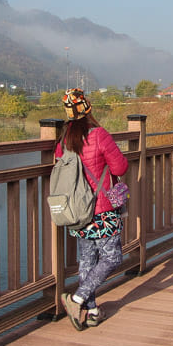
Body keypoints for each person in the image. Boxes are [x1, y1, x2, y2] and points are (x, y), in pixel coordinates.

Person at [56, 88, 128, 331]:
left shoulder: (64, 140)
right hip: (102, 209)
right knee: (113, 257)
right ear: (88, 109)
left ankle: (93, 311)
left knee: (87, 260)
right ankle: (76, 299)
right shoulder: (99, 135)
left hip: (76, 211)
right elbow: (119, 168)